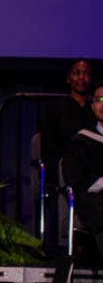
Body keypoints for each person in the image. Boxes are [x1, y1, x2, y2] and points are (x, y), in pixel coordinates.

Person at [38, 59, 95, 254]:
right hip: (65, 168)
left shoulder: (94, 110)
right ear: (68, 78)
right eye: (77, 73)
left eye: (86, 74)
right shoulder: (57, 108)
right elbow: (48, 144)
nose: (81, 78)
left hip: (92, 170)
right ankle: (69, 242)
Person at [60, 81, 103, 262]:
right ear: (92, 106)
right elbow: (74, 180)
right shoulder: (82, 141)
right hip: (93, 199)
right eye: (100, 99)